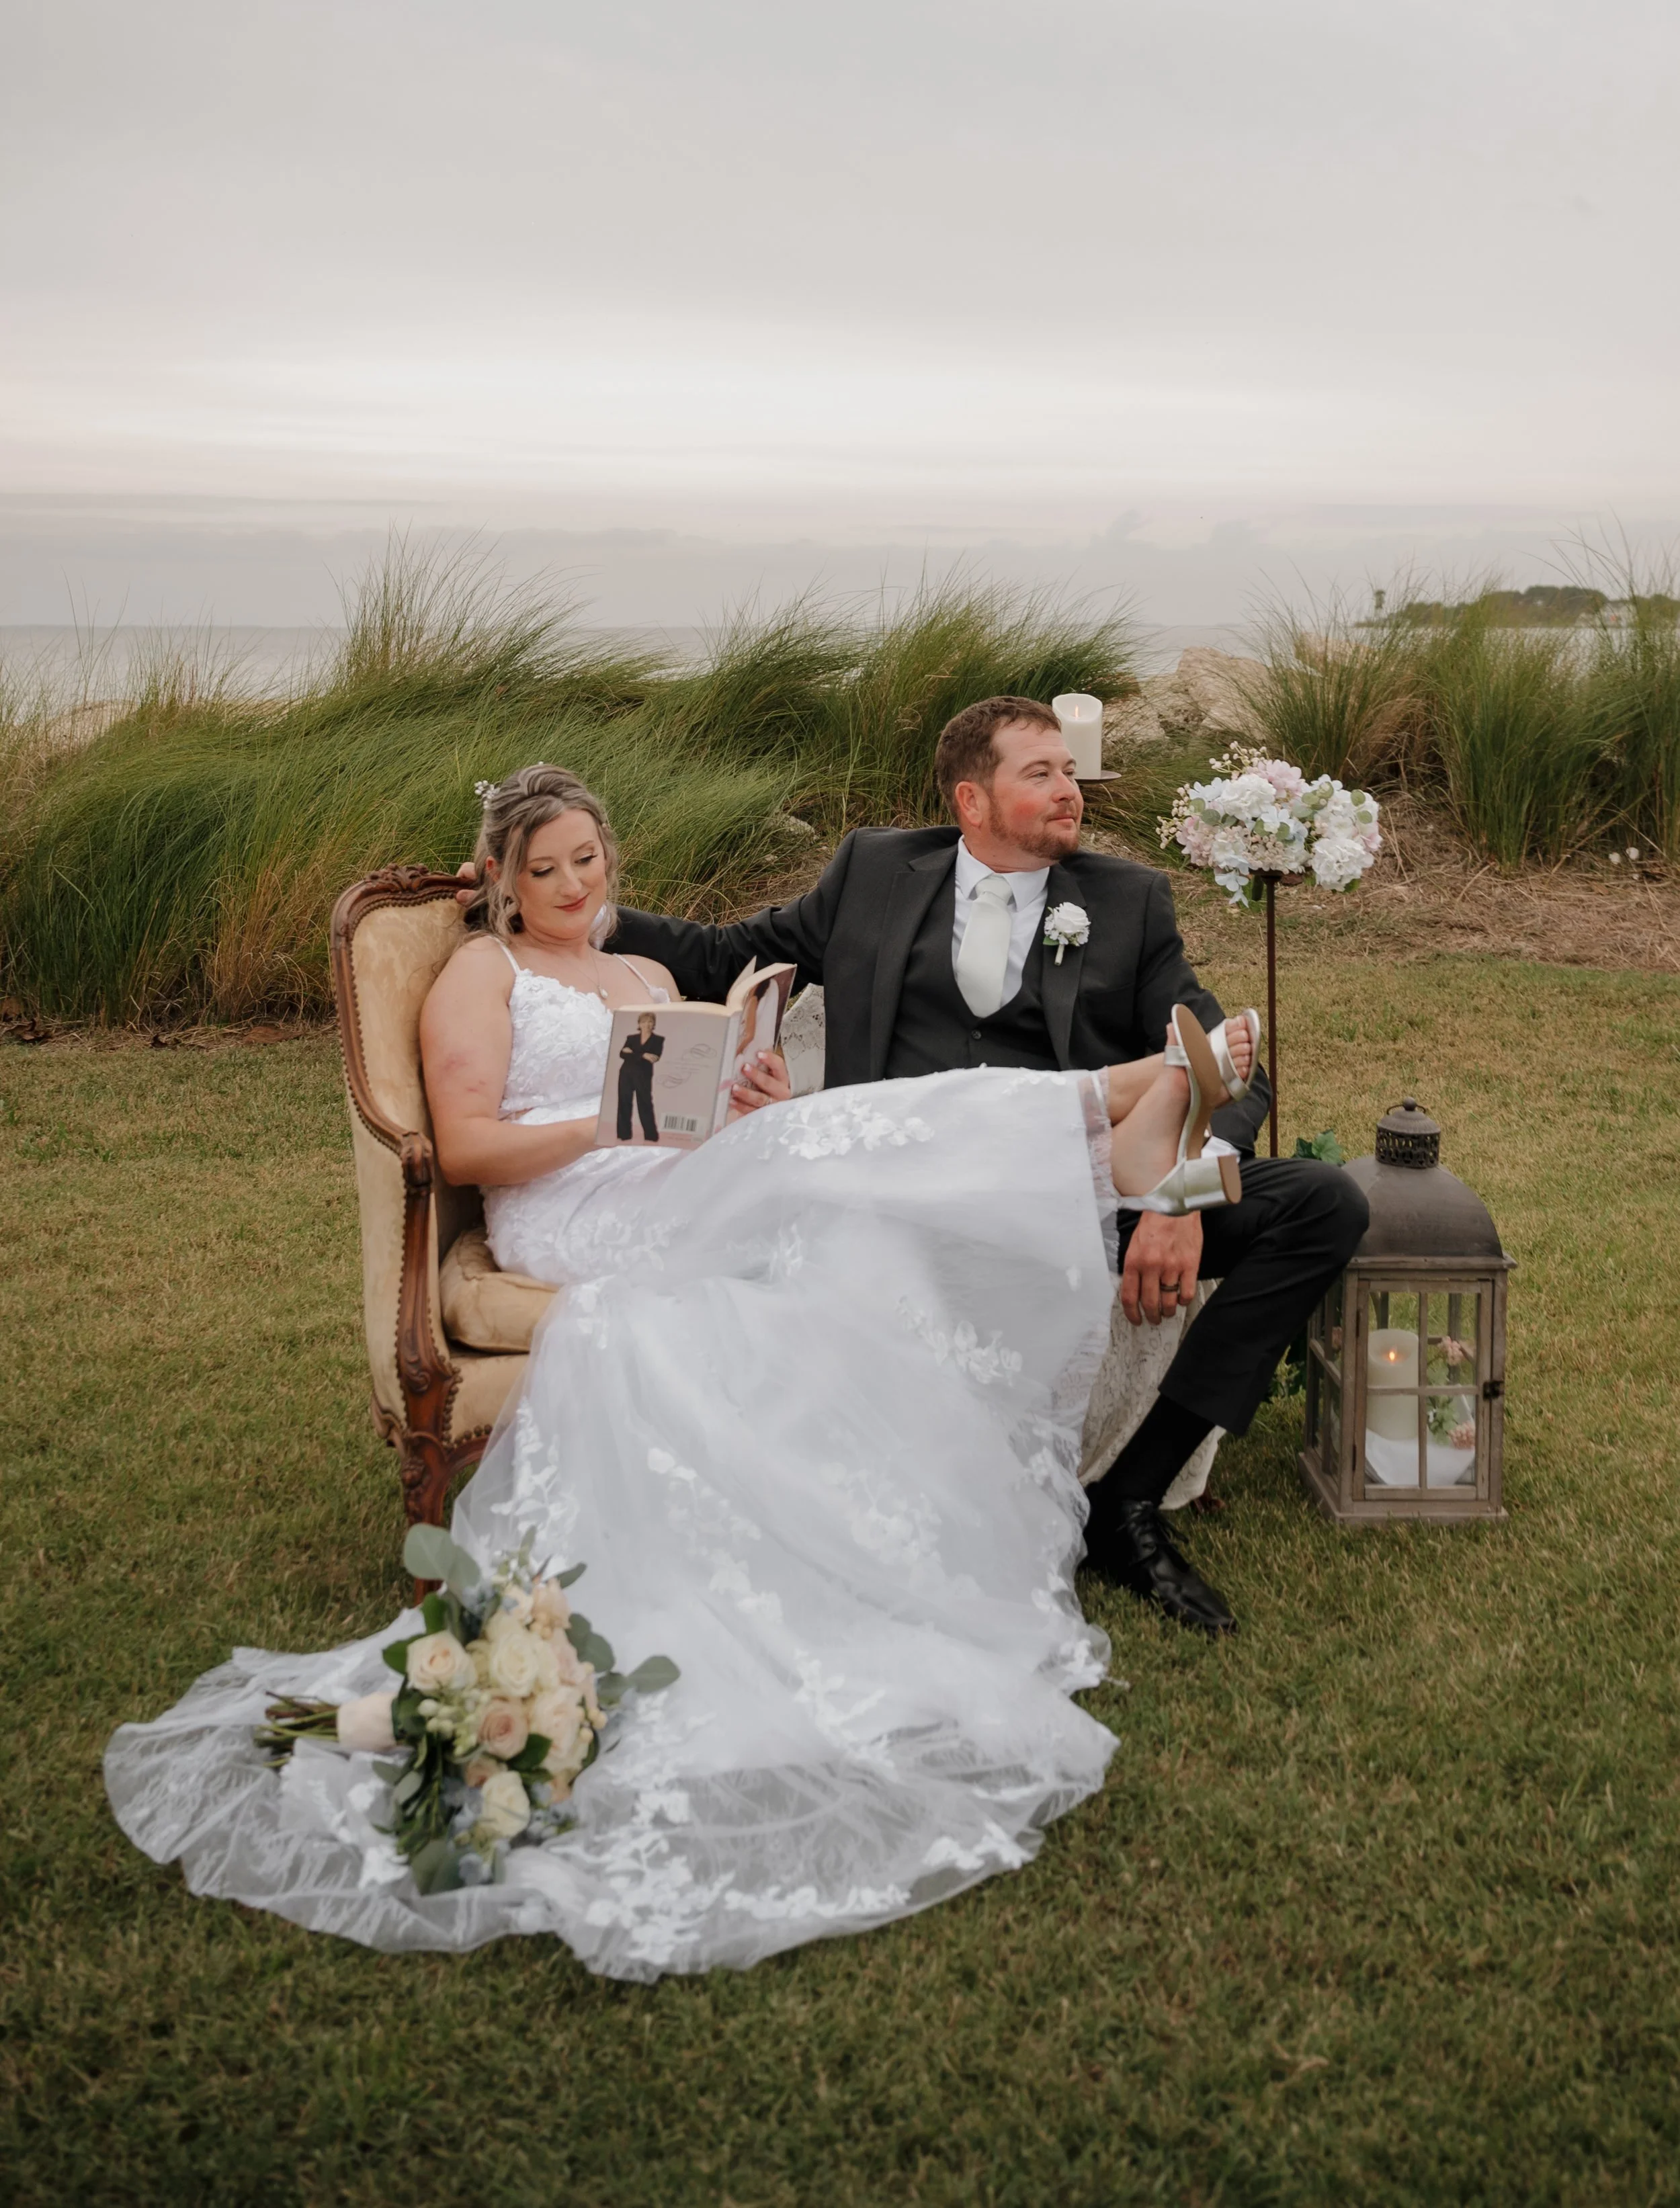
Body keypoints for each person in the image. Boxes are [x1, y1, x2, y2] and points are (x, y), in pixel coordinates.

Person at [105, 760, 1263, 1981]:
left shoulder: (650, 978)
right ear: (498, 878)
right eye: (541, 870)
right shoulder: (480, 976)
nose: (567, 886)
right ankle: (1113, 1112)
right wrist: (615, 1120)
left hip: (676, 1180)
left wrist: (747, 1098)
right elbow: (465, 1145)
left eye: (586, 864)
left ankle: (1107, 1122)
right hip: (573, 1207)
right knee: (838, 1151)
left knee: (832, 1169)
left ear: (612, 865)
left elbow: (706, 1113)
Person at [603, 696, 1369, 1636]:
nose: (1069, 790)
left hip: (1077, 1193)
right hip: (903, 1198)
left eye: (1070, 771)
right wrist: (578, 907)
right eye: (1039, 773)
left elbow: (1217, 1056)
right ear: (972, 798)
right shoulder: (875, 872)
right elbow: (725, 952)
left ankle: (1126, 1503)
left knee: (1321, 1202)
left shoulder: (1127, 899)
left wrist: (1186, 1190)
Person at [614, 1010, 664, 1142]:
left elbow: (655, 1057)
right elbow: (622, 1054)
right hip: (626, 1074)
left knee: (645, 1104)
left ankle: (651, 1136)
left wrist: (633, 1053)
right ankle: (624, 1135)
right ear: (639, 1024)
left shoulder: (658, 1040)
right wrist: (643, 1055)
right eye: (644, 1022)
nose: (647, 1024)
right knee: (624, 1103)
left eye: (650, 1021)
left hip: (644, 1076)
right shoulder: (631, 1038)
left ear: (654, 1024)